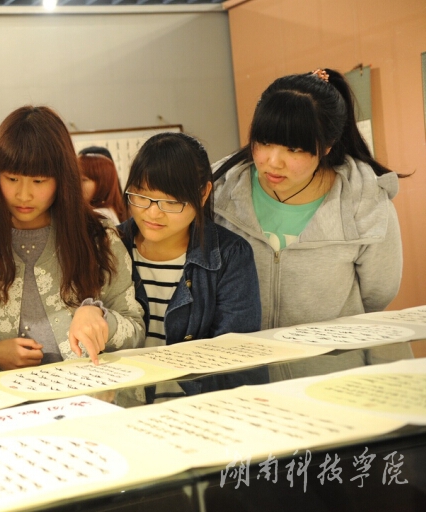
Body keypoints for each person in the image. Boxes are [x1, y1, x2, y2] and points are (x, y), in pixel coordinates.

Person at [212, 68, 408, 379]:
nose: (273, 161)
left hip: (332, 378)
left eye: (294, 149)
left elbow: (378, 294)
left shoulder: (364, 202)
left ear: (328, 145)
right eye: (264, 142)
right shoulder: (218, 190)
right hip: (240, 380)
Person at [0, 106, 144, 371]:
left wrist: (100, 317)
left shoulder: (98, 237)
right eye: (12, 178)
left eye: (39, 181)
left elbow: (135, 330)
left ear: (62, 178)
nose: (23, 195)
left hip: (91, 391)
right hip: (10, 394)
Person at [118, 132, 261, 346]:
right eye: (141, 196)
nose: (153, 213)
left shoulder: (230, 255)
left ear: (203, 193)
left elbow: (235, 349)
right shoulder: (108, 246)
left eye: (171, 202)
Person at [78, 152, 128, 223]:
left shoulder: (99, 216)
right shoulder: (109, 211)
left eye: (83, 180)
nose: (76, 184)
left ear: (102, 184)